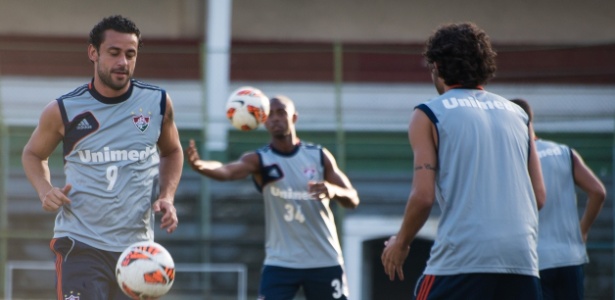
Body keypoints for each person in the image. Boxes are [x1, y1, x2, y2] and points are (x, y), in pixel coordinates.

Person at [21, 15, 184, 300]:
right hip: (80, 244)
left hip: (137, 251)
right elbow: (33, 154)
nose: (123, 61)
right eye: (114, 52)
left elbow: (172, 151)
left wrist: (167, 196)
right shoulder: (64, 109)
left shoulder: (157, 103)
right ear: (93, 53)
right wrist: (45, 190)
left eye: (130, 54)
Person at [380, 22, 546, 299]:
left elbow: (422, 197)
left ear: (436, 66)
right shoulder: (518, 114)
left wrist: (401, 243)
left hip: (463, 258)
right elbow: (538, 197)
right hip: (522, 259)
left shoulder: (428, 113)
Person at [186, 94, 360, 300]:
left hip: (324, 259)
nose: (275, 118)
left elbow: (352, 198)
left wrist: (333, 190)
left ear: (294, 118)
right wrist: (200, 166)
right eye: (270, 114)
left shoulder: (319, 156)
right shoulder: (260, 160)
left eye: (281, 113)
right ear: (263, 121)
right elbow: (227, 171)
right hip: (281, 262)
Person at [511, 98, 606, 300]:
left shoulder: (515, 159)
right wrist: (583, 229)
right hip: (570, 257)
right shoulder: (564, 152)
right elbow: (598, 192)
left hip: (535, 261)